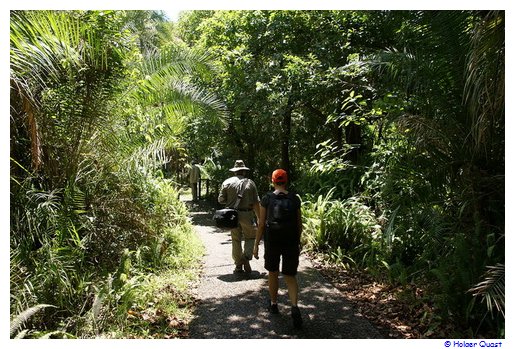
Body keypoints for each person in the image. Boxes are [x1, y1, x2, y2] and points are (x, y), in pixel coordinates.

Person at [253, 168, 303, 329]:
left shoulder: (267, 199)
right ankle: (294, 307)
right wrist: (298, 241)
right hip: (290, 241)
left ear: (273, 181)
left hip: (272, 241)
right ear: (286, 181)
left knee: (273, 273)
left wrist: (256, 246)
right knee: (290, 275)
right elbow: (299, 225)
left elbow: (261, 224)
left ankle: (274, 304)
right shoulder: (294, 199)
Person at [218, 160, 260, 273]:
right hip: (247, 214)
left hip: (232, 216)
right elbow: (256, 202)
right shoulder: (251, 183)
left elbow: (221, 200)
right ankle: (245, 258)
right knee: (250, 237)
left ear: (235, 171)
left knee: (236, 239)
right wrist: (259, 217)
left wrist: (230, 200)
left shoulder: (227, 182)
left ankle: (238, 264)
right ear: (244, 171)